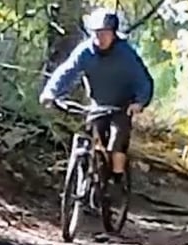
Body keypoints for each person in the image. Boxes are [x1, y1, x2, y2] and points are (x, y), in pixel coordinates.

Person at [39, 8, 154, 191]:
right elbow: (67, 71)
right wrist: (51, 92)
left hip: (121, 105)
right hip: (98, 104)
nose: (101, 38)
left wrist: (139, 102)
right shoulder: (85, 51)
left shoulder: (126, 54)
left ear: (113, 34)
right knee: (93, 138)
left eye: (105, 34)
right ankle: (88, 181)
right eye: (97, 33)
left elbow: (143, 80)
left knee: (117, 140)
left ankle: (117, 180)